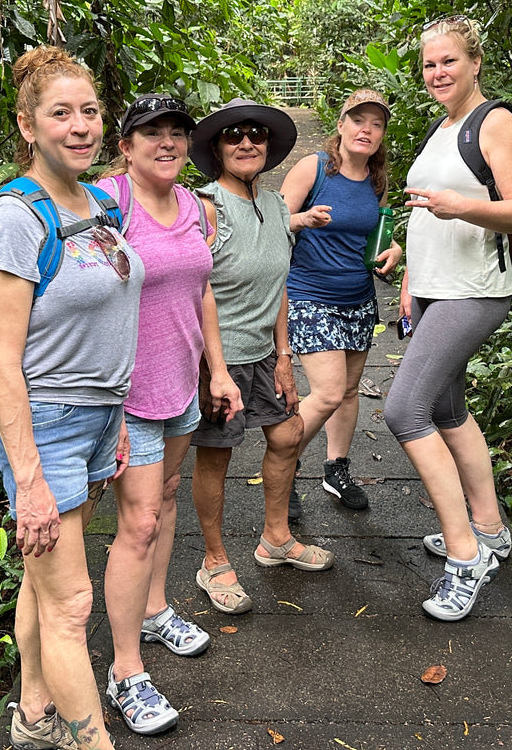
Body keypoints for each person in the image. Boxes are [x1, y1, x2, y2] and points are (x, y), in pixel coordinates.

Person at [0, 46, 144, 750]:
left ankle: (34, 718)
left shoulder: (100, 203)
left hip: (97, 418)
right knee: (72, 604)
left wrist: (120, 415)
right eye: (60, 114)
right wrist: (31, 481)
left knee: (43, 587)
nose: (79, 127)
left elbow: (110, 318)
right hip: (42, 425)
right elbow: (1, 363)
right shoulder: (14, 219)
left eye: (89, 111)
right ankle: (88, 740)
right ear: (27, 125)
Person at [94, 96, 244, 737]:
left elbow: (202, 289)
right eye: (151, 132)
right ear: (124, 145)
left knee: (170, 498)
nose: (167, 142)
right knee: (138, 521)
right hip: (128, 394)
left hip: (182, 384)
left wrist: (219, 368)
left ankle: (154, 611)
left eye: (177, 133)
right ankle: (125, 671)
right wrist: (106, 401)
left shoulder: (192, 206)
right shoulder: (107, 203)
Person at [388, 15, 512, 622]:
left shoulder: (495, 123)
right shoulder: (440, 128)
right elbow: (425, 213)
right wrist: (407, 277)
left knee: (403, 409)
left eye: (448, 61)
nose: (437, 73)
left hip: (472, 292)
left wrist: (464, 206)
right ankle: (491, 529)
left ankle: (465, 556)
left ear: (475, 63)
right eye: (429, 65)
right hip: (430, 289)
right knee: (448, 411)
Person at [189, 99, 335, 616]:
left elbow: (279, 286)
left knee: (288, 434)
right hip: (217, 358)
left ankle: (276, 538)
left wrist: (284, 354)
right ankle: (214, 560)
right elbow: (194, 286)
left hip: (263, 354)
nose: (246, 142)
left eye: (255, 134)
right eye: (233, 135)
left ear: (268, 147)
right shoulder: (205, 206)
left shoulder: (275, 208)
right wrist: (217, 369)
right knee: (217, 454)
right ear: (216, 149)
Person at [278, 88, 402, 512]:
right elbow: (274, 224)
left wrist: (394, 249)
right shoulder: (314, 168)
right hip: (310, 294)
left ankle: (336, 469)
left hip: (359, 297)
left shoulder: (378, 180)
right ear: (341, 124)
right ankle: (283, 467)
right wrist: (302, 219)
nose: (366, 130)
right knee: (328, 393)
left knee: (349, 392)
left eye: (377, 124)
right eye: (358, 120)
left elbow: (377, 233)